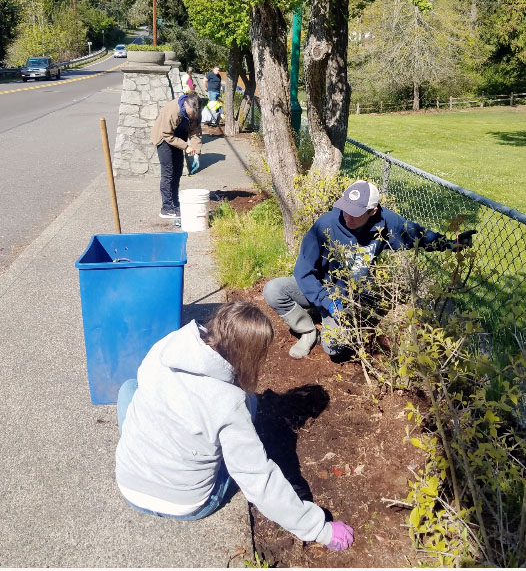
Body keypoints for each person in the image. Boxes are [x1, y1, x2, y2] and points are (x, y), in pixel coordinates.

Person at [116, 301, 354, 553]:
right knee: (238, 461)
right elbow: (258, 479)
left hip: (130, 486)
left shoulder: (166, 347)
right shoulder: (229, 403)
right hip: (187, 503)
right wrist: (320, 529)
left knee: (129, 389)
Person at [264, 179, 476, 359]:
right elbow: (303, 271)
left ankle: (327, 326)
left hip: (348, 298)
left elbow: (416, 236)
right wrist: (327, 301)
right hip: (319, 289)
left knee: (335, 348)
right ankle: (308, 331)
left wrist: (451, 244)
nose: (347, 216)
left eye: (355, 213)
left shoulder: (385, 223)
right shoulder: (326, 224)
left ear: (373, 211)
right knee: (273, 290)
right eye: (345, 208)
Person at [151, 91, 202, 219]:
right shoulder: (173, 110)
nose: (192, 116)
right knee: (168, 173)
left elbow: (195, 132)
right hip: (164, 139)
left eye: (194, 114)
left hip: (178, 138)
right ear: (185, 104)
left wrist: (196, 151)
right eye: (190, 114)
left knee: (178, 172)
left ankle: (175, 203)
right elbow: (167, 134)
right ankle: (166, 208)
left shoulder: (196, 112)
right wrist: (186, 146)